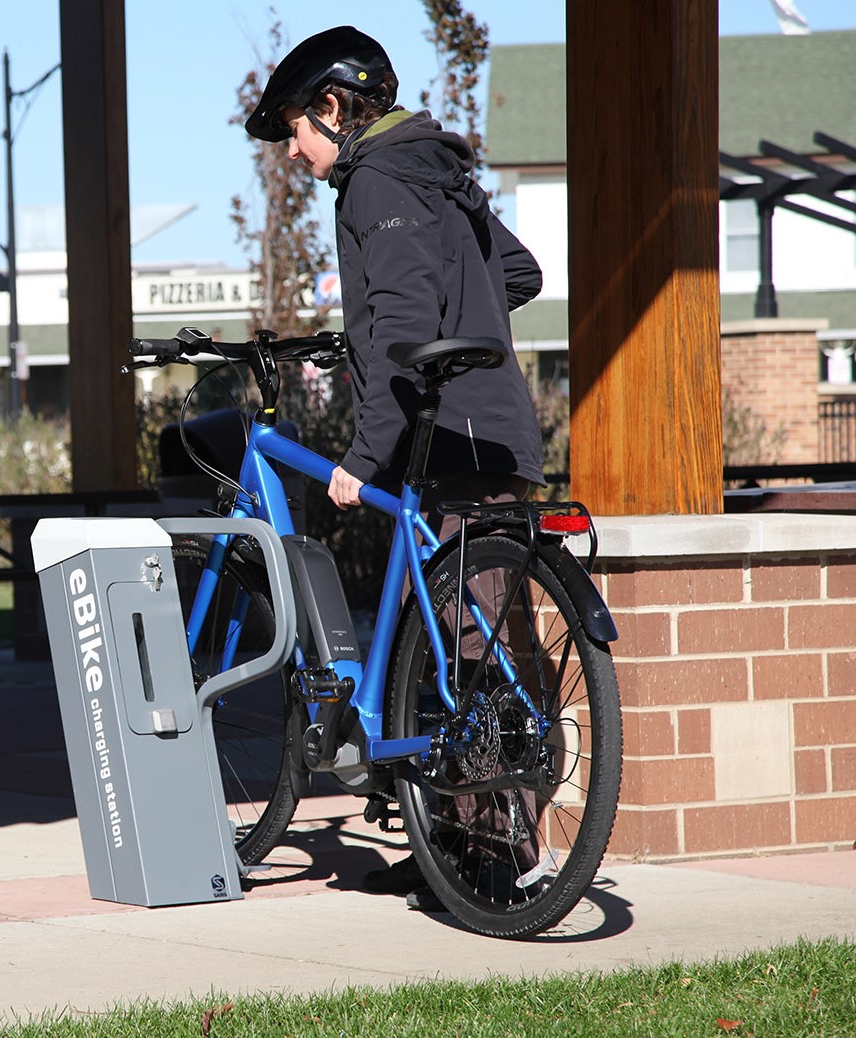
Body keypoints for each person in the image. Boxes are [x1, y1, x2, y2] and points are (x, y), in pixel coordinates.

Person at [244, 26, 547, 912]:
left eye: (296, 128)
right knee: (455, 642)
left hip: (444, 439)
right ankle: (450, 844)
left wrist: (360, 455)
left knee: (462, 655)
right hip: (492, 435)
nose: (293, 150)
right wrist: (471, 314)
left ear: (334, 109)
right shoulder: (435, 169)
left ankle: (495, 861)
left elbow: (405, 337)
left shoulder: (374, 180)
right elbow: (518, 273)